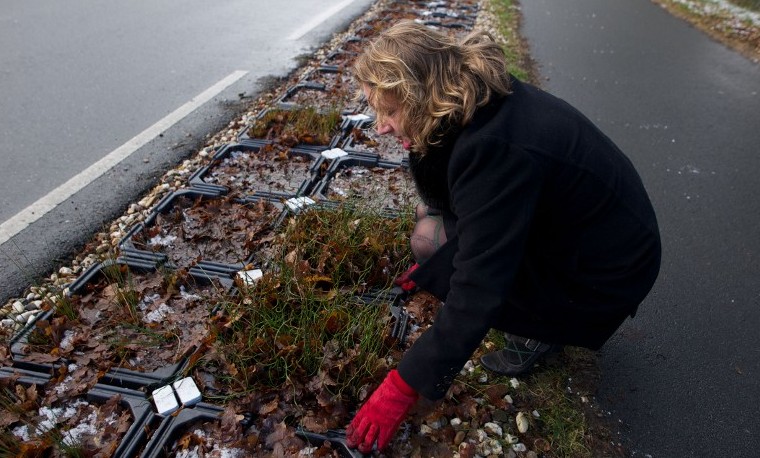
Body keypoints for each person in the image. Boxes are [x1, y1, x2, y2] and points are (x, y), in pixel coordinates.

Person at [345, 20, 661, 453]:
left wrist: (405, 383)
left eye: (391, 111)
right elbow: (456, 199)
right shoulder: (475, 97)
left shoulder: (493, 149)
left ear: (423, 96)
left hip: (604, 275)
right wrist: (416, 141)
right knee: (431, 224)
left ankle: (540, 333)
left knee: (430, 241)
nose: (380, 126)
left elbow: (478, 287)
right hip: (593, 236)